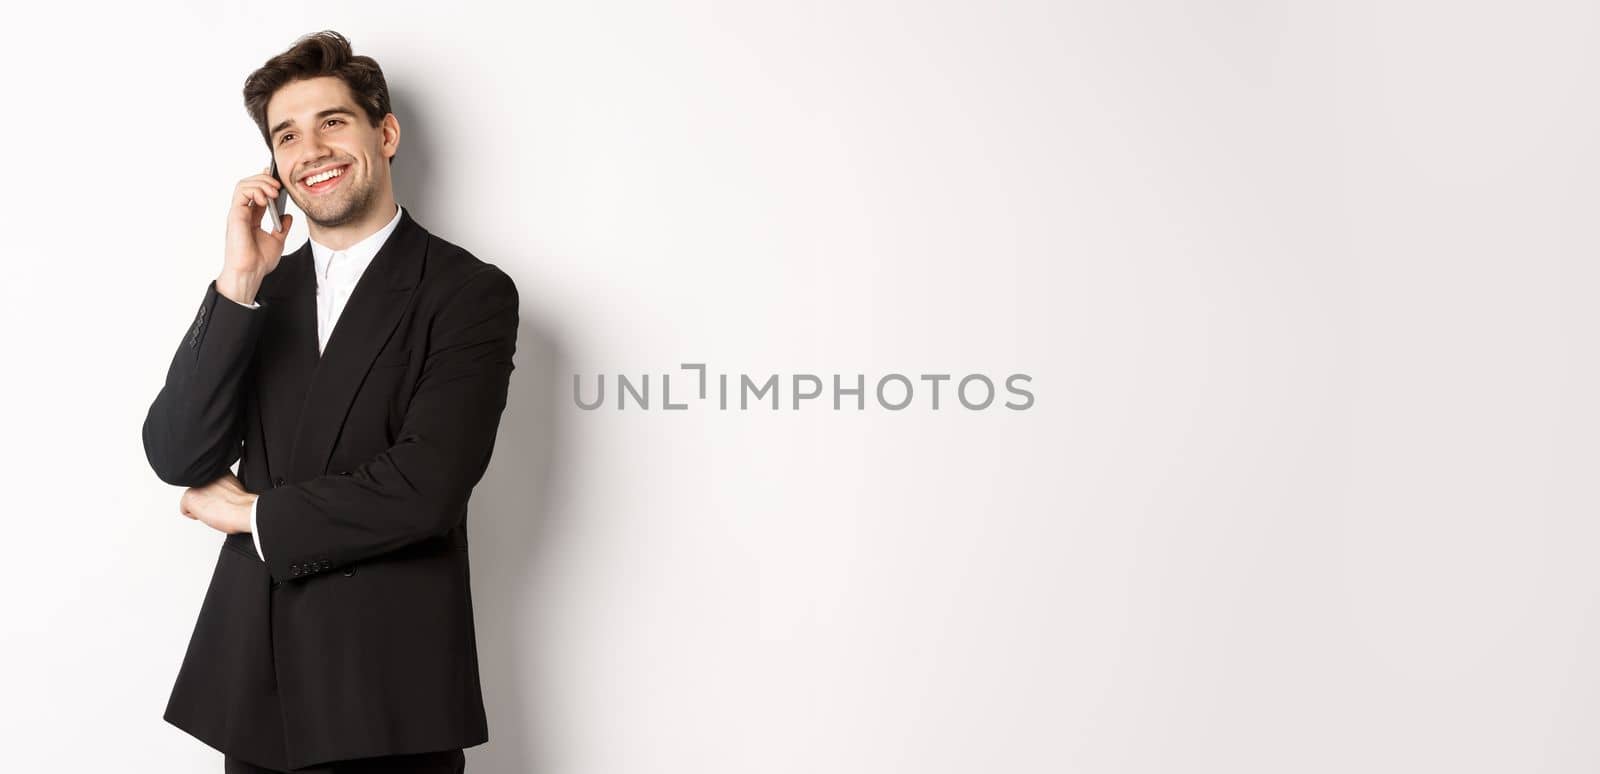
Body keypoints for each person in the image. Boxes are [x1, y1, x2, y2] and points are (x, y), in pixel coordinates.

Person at [142, 30, 517, 773]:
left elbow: (425, 488)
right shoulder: (257, 292)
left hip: (387, 692)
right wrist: (237, 281)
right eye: (287, 135)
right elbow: (178, 452)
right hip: (258, 689)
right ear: (274, 166)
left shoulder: (467, 292)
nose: (309, 148)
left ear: (385, 133)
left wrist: (251, 513)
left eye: (332, 122)